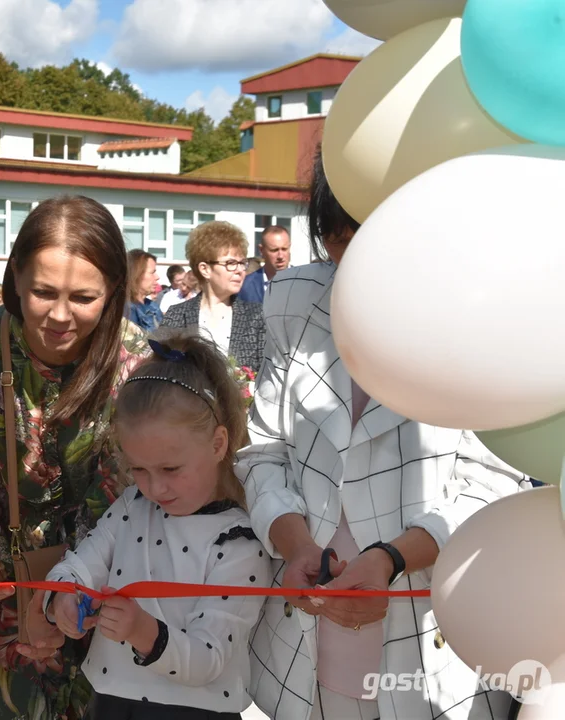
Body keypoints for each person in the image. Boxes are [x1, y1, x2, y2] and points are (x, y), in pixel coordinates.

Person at [235, 147, 530, 720]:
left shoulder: (480, 316)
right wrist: (294, 545)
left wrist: (391, 558)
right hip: (301, 642)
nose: (356, 259)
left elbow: (492, 481)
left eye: (373, 235)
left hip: (431, 643)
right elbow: (264, 450)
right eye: (340, 239)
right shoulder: (296, 300)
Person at [0, 195, 151, 720]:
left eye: (83, 298)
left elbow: (120, 493)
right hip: (5, 573)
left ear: (114, 291)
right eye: (43, 292)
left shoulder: (134, 361)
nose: (59, 316)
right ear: (14, 279)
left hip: (104, 572)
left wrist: (68, 592)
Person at [43, 332, 270, 720]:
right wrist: (62, 598)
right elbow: (80, 565)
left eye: (170, 469)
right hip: (111, 703)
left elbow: (209, 658)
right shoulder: (134, 506)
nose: (155, 487)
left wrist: (143, 631)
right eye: (139, 470)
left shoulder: (240, 543)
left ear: (218, 444)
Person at [161, 222, 265, 373]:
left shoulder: (256, 316)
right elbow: (161, 373)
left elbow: (265, 377)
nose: (240, 270)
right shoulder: (176, 315)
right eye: (230, 263)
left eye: (242, 263)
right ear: (205, 269)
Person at [237, 226, 290, 304]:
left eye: (284, 249)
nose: (280, 256)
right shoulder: (245, 287)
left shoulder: (306, 284)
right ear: (261, 250)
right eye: (274, 250)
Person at [126, 249, 163, 332]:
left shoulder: (153, 307)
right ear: (137, 274)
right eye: (152, 272)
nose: (157, 277)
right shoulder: (126, 309)